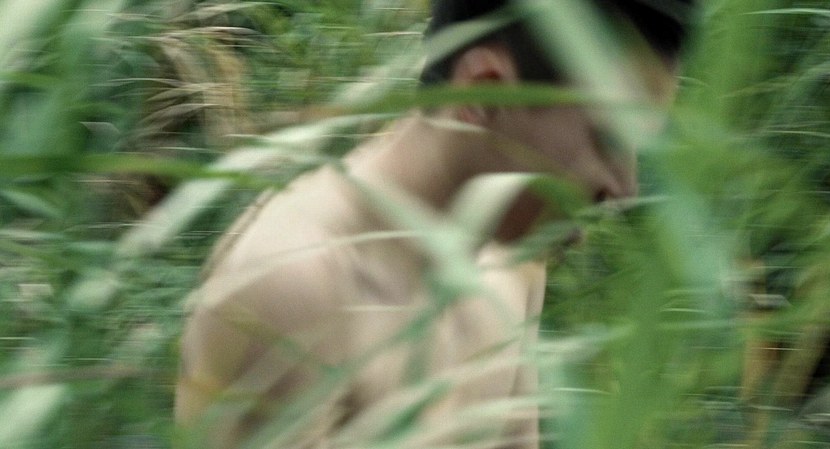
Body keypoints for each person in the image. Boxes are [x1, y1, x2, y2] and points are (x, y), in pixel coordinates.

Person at [174, 1, 696, 448]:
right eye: (608, 138)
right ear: (484, 93)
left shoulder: (511, 264)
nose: (624, 186)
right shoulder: (293, 283)